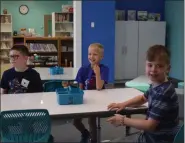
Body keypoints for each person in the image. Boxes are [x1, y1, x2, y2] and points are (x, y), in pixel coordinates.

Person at [107, 45, 179, 143]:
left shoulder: (163, 92)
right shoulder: (156, 85)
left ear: (168, 69)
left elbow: (150, 125)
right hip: (151, 136)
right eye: (150, 65)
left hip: (157, 139)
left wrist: (123, 120)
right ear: (145, 65)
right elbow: (142, 98)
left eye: (160, 66)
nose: (153, 69)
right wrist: (123, 104)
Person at [74, 43, 109, 143]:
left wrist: (97, 73)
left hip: (96, 101)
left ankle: (93, 140)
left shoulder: (104, 69)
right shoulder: (83, 69)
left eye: (95, 54)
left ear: (101, 57)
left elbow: (99, 87)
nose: (91, 57)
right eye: (89, 54)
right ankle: (85, 133)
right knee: (76, 121)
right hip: (84, 99)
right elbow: (80, 88)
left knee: (91, 121)